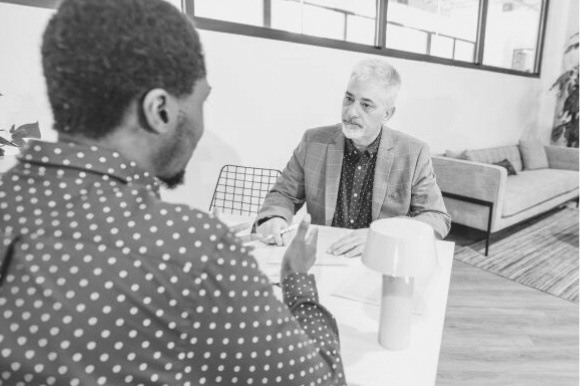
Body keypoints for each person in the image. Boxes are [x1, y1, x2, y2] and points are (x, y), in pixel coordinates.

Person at [0, 0, 345, 384]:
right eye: (201, 102)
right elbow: (322, 381)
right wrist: (296, 276)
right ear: (159, 110)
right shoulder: (193, 251)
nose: (201, 126)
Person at [257, 59, 451, 257]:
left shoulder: (413, 152)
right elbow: (284, 194)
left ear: (387, 113)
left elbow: (437, 218)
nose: (351, 112)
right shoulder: (314, 141)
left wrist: (383, 236)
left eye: (366, 105)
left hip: (380, 257)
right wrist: (274, 217)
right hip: (324, 254)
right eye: (349, 99)